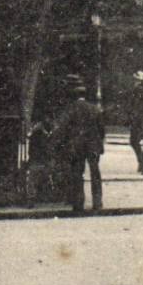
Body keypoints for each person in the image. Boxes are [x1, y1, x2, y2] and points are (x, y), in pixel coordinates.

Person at [52, 75, 105, 213]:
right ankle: (97, 202)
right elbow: (101, 129)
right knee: (95, 173)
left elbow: (63, 128)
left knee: (77, 173)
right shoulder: (95, 109)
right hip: (93, 145)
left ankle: (78, 202)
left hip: (77, 146)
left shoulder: (71, 109)